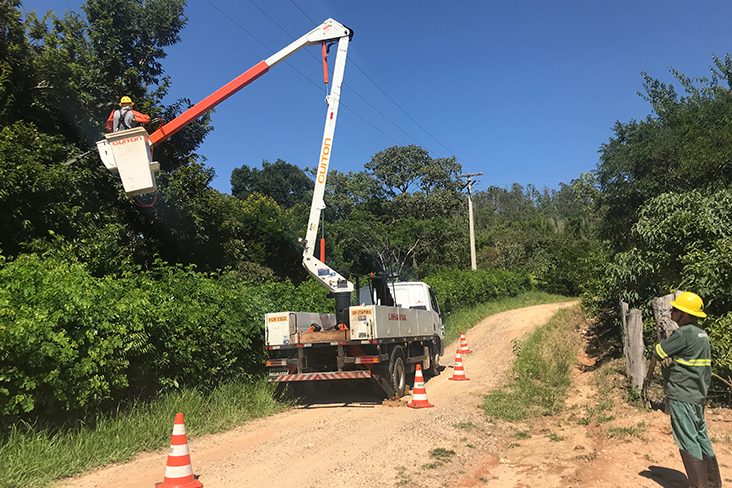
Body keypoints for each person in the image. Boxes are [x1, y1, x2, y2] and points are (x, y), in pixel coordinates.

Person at [644, 291, 722, 488]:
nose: (671, 310)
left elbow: (657, 352)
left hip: (682, 395)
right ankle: (713, 483)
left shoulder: (684, 334)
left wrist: (649, 377)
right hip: (697, 395)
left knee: (687, 440)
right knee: (701, 436)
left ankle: (698, 485)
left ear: (685, 314)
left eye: (676, 309)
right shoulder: (701, 334)